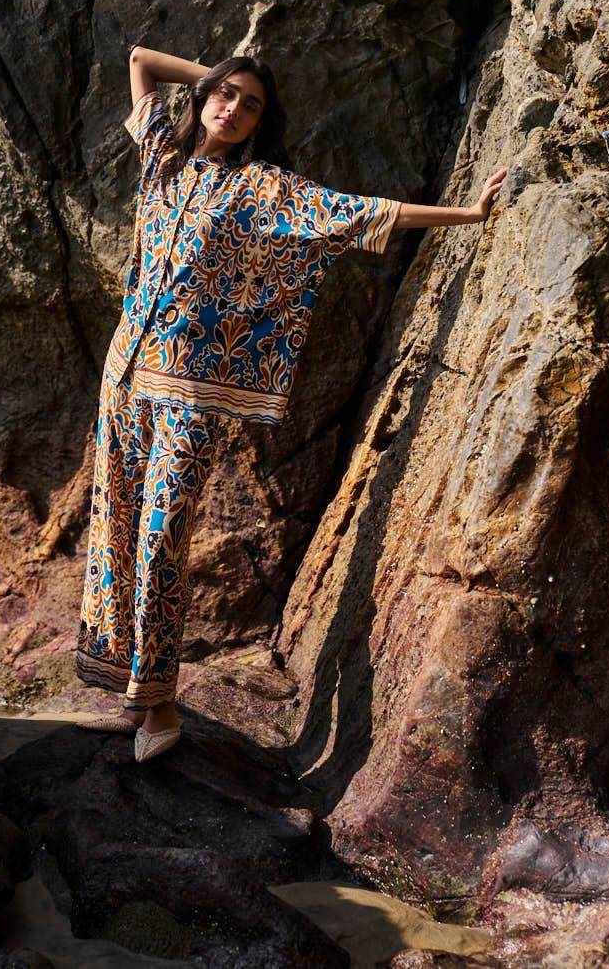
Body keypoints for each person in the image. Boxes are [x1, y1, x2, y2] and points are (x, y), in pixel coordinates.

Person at [75, 45, 508, 761]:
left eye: (251, 107)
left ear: (262, 124)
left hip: (191, 394)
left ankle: (162, 708)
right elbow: (140, 59)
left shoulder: (264, 189)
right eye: (226, 97)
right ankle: (132, 696)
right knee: (116, 531)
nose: (233, 110)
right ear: (203, 98)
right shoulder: (161, 159)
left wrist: (468, 212)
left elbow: (360, 213)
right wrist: (215, 80)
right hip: (122, 379)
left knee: (160, 541)